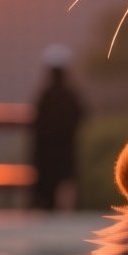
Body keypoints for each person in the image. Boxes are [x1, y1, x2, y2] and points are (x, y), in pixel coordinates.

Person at [30, 46, 85, 211]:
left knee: (46, 192)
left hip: (45, 153)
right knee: (65, 185)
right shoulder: (71, 97)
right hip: (65, 151)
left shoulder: (45, 96)